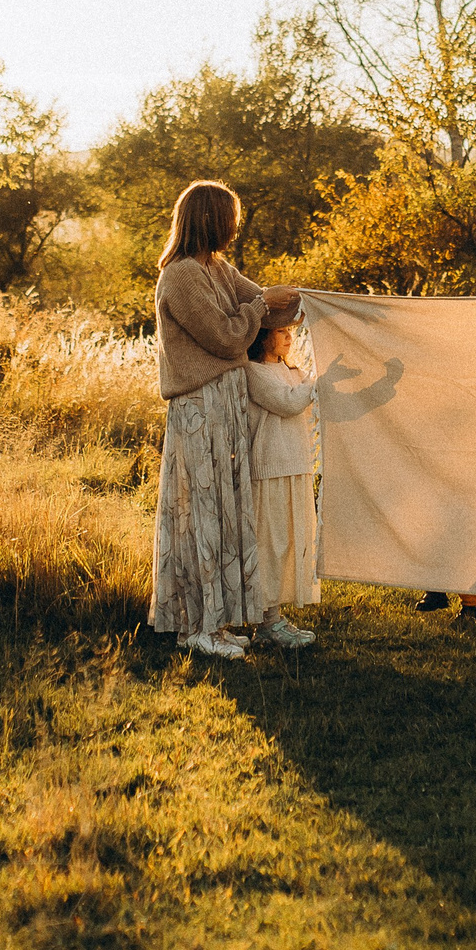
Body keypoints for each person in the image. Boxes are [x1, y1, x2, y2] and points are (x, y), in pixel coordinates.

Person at [151, 180, 301, 659]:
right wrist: (260, 306)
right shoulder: (181, 276)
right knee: (201, 513)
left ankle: (219, 620)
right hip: (199, 408)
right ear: (210, 220)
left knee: (226, 512)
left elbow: (267, 308)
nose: (235, 229)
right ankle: (197, 626)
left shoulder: (217, 269)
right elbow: (227, 336)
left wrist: (309, 299)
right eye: (230, 220)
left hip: (228, 405)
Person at [243, 323, 320, 649]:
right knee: (270, 546)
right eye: (281, 331)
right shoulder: (254, 372)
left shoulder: (293, 372)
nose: (290, 337)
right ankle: (266, 624)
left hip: (296, 464)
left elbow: (310, 398)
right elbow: (288, 402)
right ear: (262, 336)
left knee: (288, 545)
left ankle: (273, 620)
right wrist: (318, 378)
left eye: (291, 330)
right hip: (270, 468)